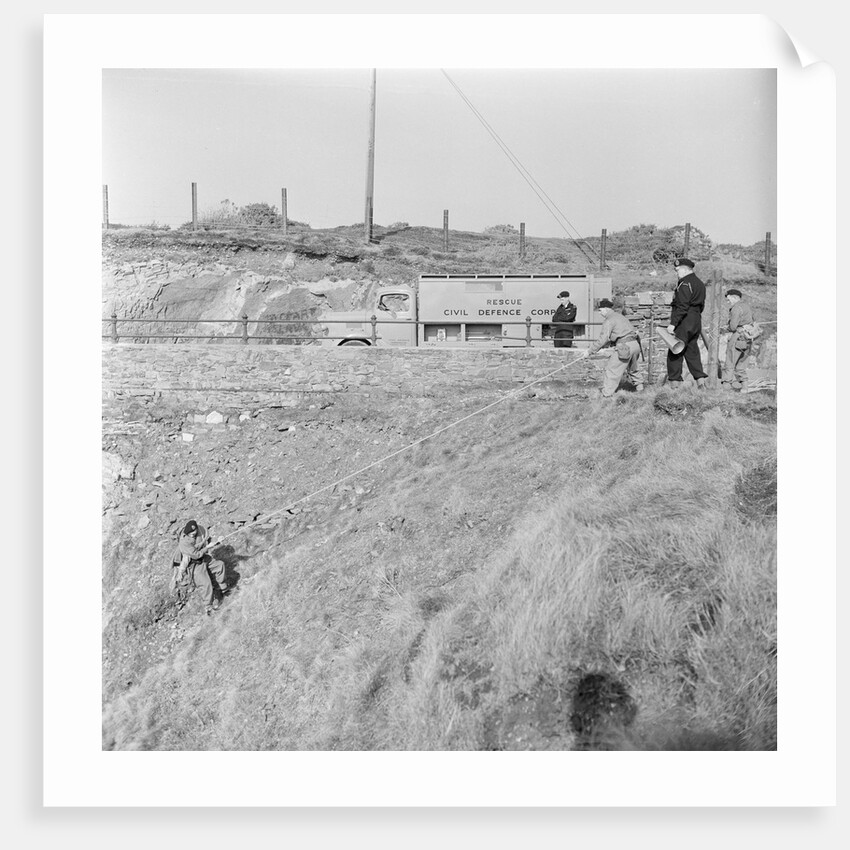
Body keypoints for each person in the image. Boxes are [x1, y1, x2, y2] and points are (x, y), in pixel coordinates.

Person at [170, 519, 228, 615]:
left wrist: (218, 541)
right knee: (205, 584)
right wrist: (208, 548)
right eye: (192, 534)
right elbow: (196, 554)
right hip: (194, 565)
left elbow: (204, 542)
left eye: (195, 533)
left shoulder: (199, 533)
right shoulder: (184, 543)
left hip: (204, 558)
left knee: (219, 565)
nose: (194, 535)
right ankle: (208, 606)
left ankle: (222, 588)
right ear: (187, 533)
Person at [666, 257, 708, 390]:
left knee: (675, 349)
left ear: (685, 270)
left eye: (677, 270)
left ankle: (674, 384)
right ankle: (701, 382)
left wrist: (673, 323)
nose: (676, 273)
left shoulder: (684, 283)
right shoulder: (700, 283)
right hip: (696, 319)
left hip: (684, 319)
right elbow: (701, 305)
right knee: (692, 351)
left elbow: (682, 306)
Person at [589, 298, 643, 397]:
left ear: (605, 309)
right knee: (633, 368)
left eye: (600, 310)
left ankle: (606, 396)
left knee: (612, 370)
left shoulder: (609, 320)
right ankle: (641, 389)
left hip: (624, 347)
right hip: (635, 345)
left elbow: (603, 339)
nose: (600, 313)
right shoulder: (621, 317)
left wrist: (589, 351)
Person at [721, 288, 755, 391]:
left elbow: (733, 327)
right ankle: (744, 387)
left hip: (737, 337)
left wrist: (724, 328)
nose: (728, 302)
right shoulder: (747, 307)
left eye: (728, 299)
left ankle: (726, 387)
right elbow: (753, 320)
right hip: (748, 337)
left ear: (734, 297)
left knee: (730, 362)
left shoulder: (736, 308)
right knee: (741, 364)